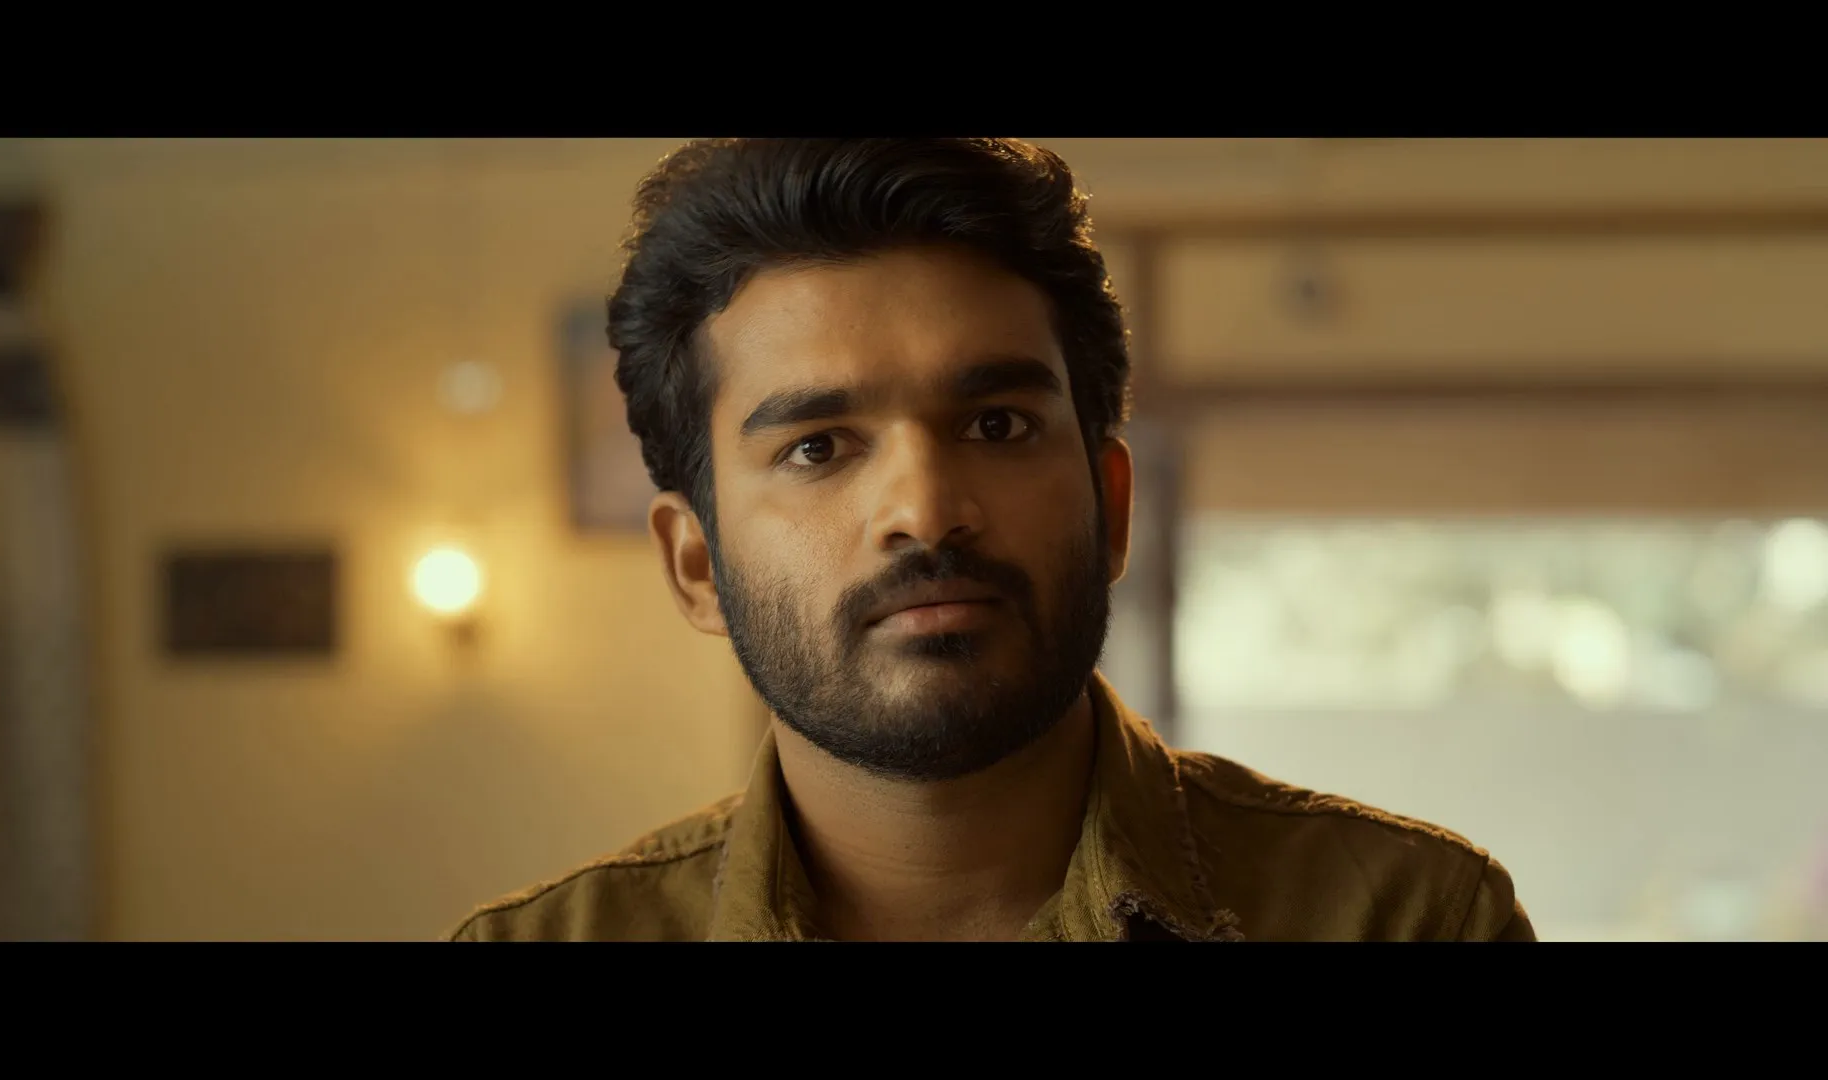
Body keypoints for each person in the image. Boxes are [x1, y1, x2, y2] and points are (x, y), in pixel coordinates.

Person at [449, 138, 1536, 942]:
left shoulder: (1407, 919)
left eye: (998, 426)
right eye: (819, 448)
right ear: (695, 565)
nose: (927, 510)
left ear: (1112, 504)